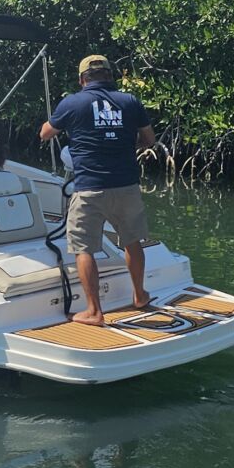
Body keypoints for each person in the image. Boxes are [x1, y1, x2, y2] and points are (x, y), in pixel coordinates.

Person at [40, 55, 155, 326]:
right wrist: (124, 142)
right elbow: (149, 140)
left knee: (83, 248)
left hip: (89, 187)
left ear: (82, 80)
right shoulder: (130, 101)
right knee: (132, 241)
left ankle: (94, 312)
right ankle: (140, 295)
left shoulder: (72, 102)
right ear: (110, 75)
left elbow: (45, 133)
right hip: (126, 184)